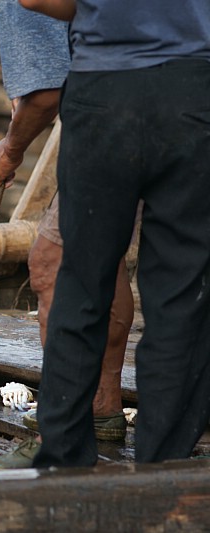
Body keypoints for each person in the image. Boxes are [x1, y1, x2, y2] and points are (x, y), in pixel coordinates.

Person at [19, 0, 210, 466]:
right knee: (182, 297)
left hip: (104, 88)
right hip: (195, 90)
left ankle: (62, 462)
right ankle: (163, 470)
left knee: (83, 284)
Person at [0, 0, 134, 471]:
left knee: (51, 266)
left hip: (114, 128)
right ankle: (102, 408)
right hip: (159, 116)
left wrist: (12, 148)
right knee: (109, 262)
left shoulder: (23, 3)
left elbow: (46, 93)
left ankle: (62, 428)